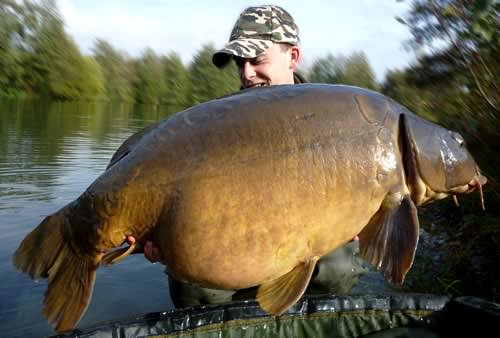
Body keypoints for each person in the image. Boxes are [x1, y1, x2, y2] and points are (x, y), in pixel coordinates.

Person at [128, 4, 367, 308]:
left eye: (257, 59)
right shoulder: (217, 124)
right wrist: (165, 238)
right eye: (240, 63)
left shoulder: (334, 118)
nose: (246, 73)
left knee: (340, 263)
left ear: (292, 57)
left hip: (304, 246)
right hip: (235, 245)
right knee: (191, 282)